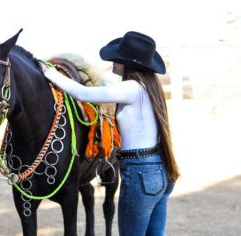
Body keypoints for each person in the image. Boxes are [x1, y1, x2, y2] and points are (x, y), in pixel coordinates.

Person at [42, 31, 180, 235]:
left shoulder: (131, 88)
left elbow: (83, 94)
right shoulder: (150, 88)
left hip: (140, 173)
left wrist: (48, 72)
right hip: (160, 170)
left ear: (129, 64)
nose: (113, 61)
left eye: (118, 58)